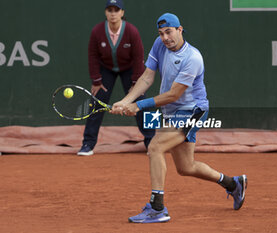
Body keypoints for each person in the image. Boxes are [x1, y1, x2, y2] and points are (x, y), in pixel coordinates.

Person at [110, 13, 247, 223]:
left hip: (192, 110)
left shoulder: (192, 58)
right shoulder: (159, 45)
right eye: (161, 33)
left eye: (169, 32)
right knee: (186, 167)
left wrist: (138, 106)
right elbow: (147, 77)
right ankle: (233, 183)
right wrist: (125, 100)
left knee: (155, 147)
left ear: (180, 30)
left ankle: (157, 208)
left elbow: (174, 95)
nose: (165, 37)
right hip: (170, 112)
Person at [78, 0, 155, 156]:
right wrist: (96, 80)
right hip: (106, 69)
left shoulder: (132, 31)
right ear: (106, 12)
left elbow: (139, 57)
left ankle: (152, 142)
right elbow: (92, 56)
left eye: (116, 10)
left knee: (142, 102)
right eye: (109, 10)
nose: (113, 13)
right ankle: (87, 144)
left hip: (130, 69)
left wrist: (136, 83)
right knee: (96, 103)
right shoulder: (97, 31)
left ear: (122, 13)